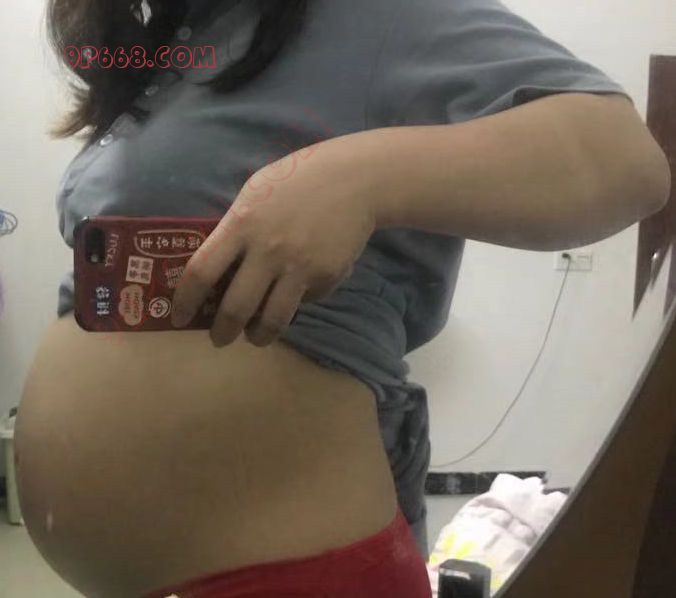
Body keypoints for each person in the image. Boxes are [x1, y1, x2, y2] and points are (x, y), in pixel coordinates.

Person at [15, 0, 670, 596]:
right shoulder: (173, 41)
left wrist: (359, 176)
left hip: (291, 572)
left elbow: (624, 161)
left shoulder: (374, 14)